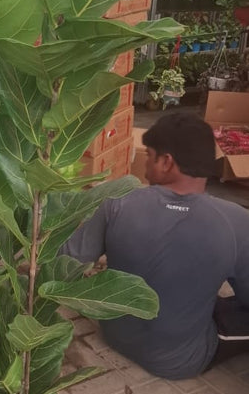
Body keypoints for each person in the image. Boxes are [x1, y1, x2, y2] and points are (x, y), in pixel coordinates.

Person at [60, 111, 249, 379]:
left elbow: (66, 264)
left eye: (148, 155)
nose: (145, 163)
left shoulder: (116, 203)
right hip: (180, 360)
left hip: (116, 335)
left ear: (166, 162)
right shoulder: (235, 222)